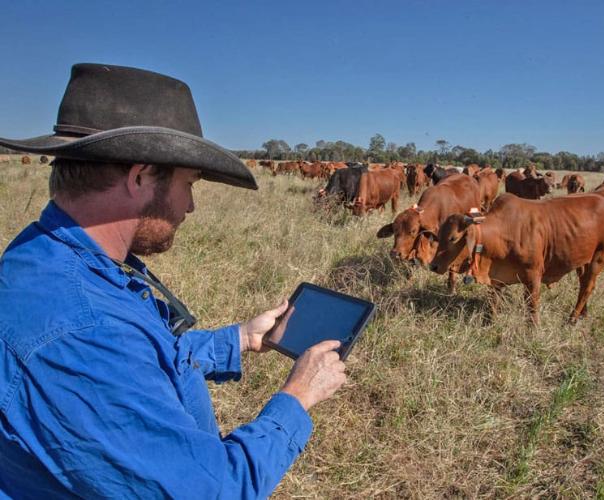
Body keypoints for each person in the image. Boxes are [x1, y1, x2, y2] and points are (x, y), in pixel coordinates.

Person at [0, 63, 346, 498]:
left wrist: (239, 338)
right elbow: (211, 490)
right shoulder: (81, 327)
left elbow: (142, 358)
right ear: (140, 176)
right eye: (189, 183)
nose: (191, 205)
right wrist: (297, 398)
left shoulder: (47, 254)